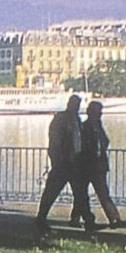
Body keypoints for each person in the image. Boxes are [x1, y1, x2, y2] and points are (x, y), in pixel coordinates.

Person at [35, 94, 94, 233]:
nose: (77, 107)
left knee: (80, 193)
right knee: (53, 192)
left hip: (74, 162)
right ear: (70, 104)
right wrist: (57, 158)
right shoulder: (61, 119)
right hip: (63, 162)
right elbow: (55, 140)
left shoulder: (76, 119)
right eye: (75, 104)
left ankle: (88, 220)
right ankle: (41, 218)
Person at [75, 100, 126, 229]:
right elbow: (89, 145)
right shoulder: (87, 127)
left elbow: (104, 141)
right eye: (98, 112)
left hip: (96, 165)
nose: (100, 114)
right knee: (91, 193)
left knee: (92, 193)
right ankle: (100, 220)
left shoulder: (94, 126)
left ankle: (112, 218)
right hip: (89, 164)